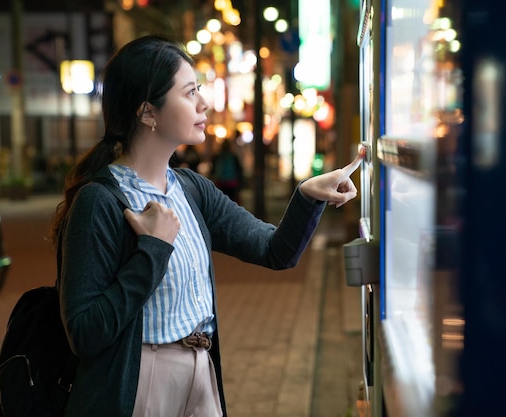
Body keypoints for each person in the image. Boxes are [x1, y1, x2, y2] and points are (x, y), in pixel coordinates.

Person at [49, 34, 364, 417]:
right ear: (148, 112)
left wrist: (309, 195)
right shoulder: (100, 202)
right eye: (189, 93)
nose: (204, 103)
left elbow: (275, 251)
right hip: (139, 383)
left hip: (201, 372)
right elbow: (84, 332)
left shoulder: (191, 189)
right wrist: (153, 250)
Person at [211, 139, 243, 203]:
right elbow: (239, 171)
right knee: (230, 202)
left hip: (220, 183)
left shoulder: (217, 157)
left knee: (220, 202)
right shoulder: (233, 157)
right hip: (231, 183)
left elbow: (213, 171)